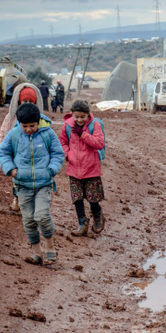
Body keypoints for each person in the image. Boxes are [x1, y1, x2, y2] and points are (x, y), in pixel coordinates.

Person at [0, 103, 64, 265]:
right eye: (24, 126)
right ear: (19, 123)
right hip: (22, 185)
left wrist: (52, 169)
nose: (28, 129)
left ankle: (50, 249)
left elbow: (58, 153)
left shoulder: (48, 133)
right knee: (29, 220)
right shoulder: (14, 135)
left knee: (41, 215)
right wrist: (10, 169)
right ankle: (37, 253)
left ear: (38, 121)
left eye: (32, 126)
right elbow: (3, 152)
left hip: (44, 183)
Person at [59, 99, 105, 236]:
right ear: (72, 114)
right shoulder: (67, 126)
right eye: (77, 117)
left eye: (82, 117)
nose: (79, 120)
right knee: (77, 197)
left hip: (91, 168)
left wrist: (83, 134)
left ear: (88, 114)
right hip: (74, 168)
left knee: (93, 197)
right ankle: (82, 223)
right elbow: (62, 141)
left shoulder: (95, 125)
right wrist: (67, 155)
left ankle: (98, 216)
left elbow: (99, 143)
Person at [0, 83, 43, 212]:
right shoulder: (11, 118)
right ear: (19, 101)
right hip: (16, 154)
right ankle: (17, 199)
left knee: (31, 179)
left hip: (33, 153)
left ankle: (29, 202)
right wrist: (1, 152)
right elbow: (3, 134)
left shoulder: (39, 119)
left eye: (30, 101)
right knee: (17, 179)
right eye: (24, 101)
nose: (27, 103)